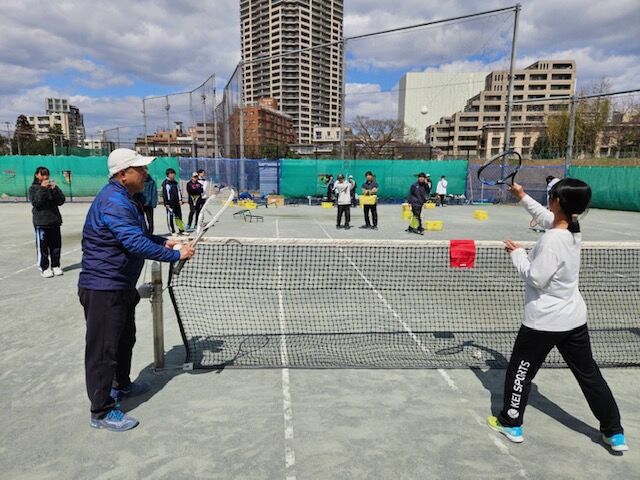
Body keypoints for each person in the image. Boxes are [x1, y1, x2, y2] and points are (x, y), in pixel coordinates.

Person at [487, 179, 628, 452]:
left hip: (543, 322)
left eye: (551, 196)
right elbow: (547, 218)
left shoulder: (552, 239)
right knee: (589, 375)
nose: (549, 200)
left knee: (520, 372)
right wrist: (522, 196)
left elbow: (536, 278)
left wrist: (518, 254)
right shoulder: (573, 227)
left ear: (558, 202)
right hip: (573, 320)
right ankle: (614, 432)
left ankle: (511, 422)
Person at [78, 148, 195, 432]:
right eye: (139, 169)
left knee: (124, 340)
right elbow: (134, 243)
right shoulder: (114, 202)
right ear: (122, 174)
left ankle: (121, 385)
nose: (145, 173)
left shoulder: (126, 198)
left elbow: (140, 235)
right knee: (103, 351)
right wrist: (175, 255)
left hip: (121, 285)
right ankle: (101, 411)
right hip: (103, 288)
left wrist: (165, 241)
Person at [29, 166, 66, 278]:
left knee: (56, 246)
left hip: (54, 221)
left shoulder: (52, 187)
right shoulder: (33, 188)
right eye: (42, 174)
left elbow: (61, 201)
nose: (45, 177)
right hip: (41, 222)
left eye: (47, 174)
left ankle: (55, 265)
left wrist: (55, 189)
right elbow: (36, 202)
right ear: (37, 175)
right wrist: (43, 188)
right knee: (43, 247)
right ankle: (44, 268)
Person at [161, 168, 185, 235]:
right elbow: (165, 194)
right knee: (170, 217)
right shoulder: (165, 183)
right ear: (168, 174)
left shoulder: (175, 182)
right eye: (171, 174)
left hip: (176, 202)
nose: (173, 175)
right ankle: (172, 231)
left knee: (179, 216)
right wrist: (166, 203)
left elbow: (178, 191)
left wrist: (180, 200)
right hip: (170, 203)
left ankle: (181, 230)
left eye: (174, 173)